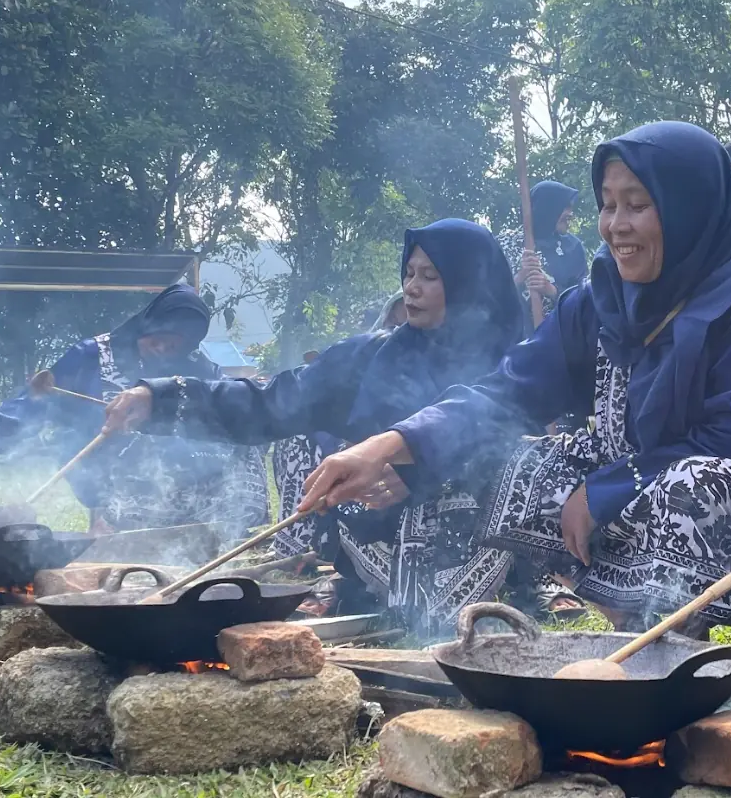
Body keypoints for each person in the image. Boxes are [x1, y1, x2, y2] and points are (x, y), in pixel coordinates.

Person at [299, 121, 731, 632]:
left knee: (696, 487)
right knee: (494, 460)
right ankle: (579, 624)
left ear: (688, 207)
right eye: (607, 206)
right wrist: (391, 445)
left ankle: (661, 645)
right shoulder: (599, 300)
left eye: (637, 205)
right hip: (636, 494)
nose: (615, 226)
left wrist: (608, 488)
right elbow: (509, 391)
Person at [104, 220, 573, 629]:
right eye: (409, 273)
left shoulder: (513, 366)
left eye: (430, 276)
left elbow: (498, 436)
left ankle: (512, 591)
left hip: (476, 540)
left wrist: (414, 472)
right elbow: (274, 400)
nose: (411, 287)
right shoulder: (369, 356)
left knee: (525, 462)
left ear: (471, 284)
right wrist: (162, 396)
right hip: (380, 534)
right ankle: (377, 596)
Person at [0, 285, 268, 533]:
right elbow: (25, 410)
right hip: (113, 494)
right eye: (160, 338)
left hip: (186, 495)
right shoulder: (93, 355)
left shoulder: (195, 367)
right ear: (149, 323)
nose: (164, 350)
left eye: (175, 346)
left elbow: (229, 396)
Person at [498, 180, 589, 333]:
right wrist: (521, 277)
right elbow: (489, 297)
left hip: (561, 339)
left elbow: (585, 298)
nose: (570, 214)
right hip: (514, 339)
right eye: (565, 207)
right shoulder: (506, 244)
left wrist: (552, 290)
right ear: (548, 209)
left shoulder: (573, 247)